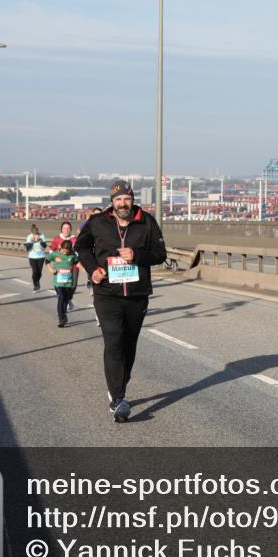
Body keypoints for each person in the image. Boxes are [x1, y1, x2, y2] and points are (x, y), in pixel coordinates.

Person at [76, 181, 167, 423]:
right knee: (114, 339)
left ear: (132, 199)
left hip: (137, 294)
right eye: (118, 200)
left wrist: (137, 255)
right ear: (112, 202)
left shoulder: (147, 222)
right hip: (106, 293)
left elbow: (160, 254)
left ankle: (118, 384)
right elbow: (81, 247)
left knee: (129, 344)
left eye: (126, 199)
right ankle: (118, 399)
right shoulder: (98, 223)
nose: (122, 204)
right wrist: (92, 269)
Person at [47, 240, 79, 327]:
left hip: (68, 282)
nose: (64, 253)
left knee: (66, 299)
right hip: (58, 281)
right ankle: (61, 319)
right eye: (63, 251)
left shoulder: (73, 255)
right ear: (60, 247)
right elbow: (47, 260)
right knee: (61, 297)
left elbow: (77, 263)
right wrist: (51, 269)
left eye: (66, 252)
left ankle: (63, 314)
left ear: (70, 250)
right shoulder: (55, 254)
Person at [50, 221, 78, 310]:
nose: (66, 230)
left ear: (71, 229)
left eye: (68, 228)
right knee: (61, 288)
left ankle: (68, 298)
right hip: (60, 268)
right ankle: (63, 303)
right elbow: (51, 252)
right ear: (61, 229)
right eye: (64, 228)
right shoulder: (57, 239)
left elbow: (80, 251)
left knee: (72, 286)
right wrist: (55, 260)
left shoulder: (74, 239)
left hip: (73, 267)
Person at [25, 224, 48, 292]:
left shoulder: (42, 235)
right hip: (32, 257)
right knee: (35, 271)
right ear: (32, 233)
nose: (35, 235)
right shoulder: (29, 237)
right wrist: (32, 242)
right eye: (34, 234)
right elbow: (27, 248)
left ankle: (37, 282)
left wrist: (40, 240)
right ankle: (36, 285)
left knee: (39, 272)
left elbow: (44, 246)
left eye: (36, 233)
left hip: (41, 256)